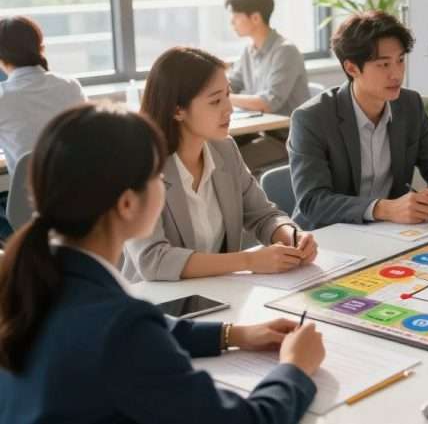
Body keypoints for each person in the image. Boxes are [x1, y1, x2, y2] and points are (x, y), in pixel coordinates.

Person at [0, 102, 325, 422]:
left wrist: (233, 334)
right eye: (157, 176)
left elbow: (144, 331)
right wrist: (295, 368)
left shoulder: (38, 279)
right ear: (127, 203)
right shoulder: (120, 325)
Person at [122, 47, 318, 282]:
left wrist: (292, 236)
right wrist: (249, 261)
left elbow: (263, 215)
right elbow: (153, 259)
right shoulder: (140, 165)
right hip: (159, 305)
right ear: (178, 110)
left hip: (219, 293)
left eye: (227, 95)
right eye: (215, 101)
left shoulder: (225, 149)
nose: (229, 108)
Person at [288, 10, 428, 228]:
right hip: (329, 236)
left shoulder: (409, 105)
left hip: (389, 231)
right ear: (351, 68)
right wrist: (385, 208)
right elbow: (313, 202)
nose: (397, 74)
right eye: (384, 64)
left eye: (400, 60)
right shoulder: (312, 118)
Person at [0, 16, 86, 239]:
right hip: (78, 203)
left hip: (31, 212)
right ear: (41, 48)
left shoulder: (3, 97)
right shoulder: (71, 86)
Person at [225, 0, 311, 171]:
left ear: (255, 17)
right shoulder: (249, 51)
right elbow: (232, 84)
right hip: (259, 132)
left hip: (286, 140)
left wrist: (224, 97)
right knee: (217, 149)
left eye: (236, 16)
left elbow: (268, 102)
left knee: (227, 163)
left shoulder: (286, 51)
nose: (232, 21)